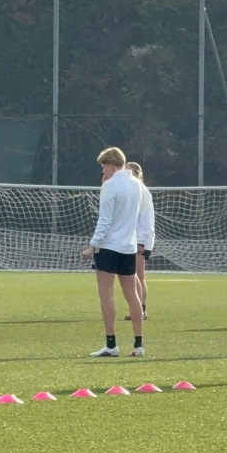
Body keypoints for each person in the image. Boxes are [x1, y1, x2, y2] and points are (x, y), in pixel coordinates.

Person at [81, 147, 145, 358]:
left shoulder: (110, 186)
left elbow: (105, 220)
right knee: (132, 295)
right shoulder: (137, 184)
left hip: (109, 247)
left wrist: (92, 245)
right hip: (128, 246)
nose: (103, 172)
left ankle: (111, 344)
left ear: (110, 164)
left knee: (106, 294)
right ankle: (138, 345)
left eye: (103, 167)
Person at [123, 161, 154, 322]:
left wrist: (142, 242)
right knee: (131, 275)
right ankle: (135, 308)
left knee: (138, 275)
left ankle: (142, 309)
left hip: (141, 240)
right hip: (131, 239)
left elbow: (146, 220)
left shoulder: (142, 191)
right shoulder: (131, 192)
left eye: (130, 172)